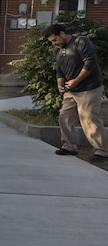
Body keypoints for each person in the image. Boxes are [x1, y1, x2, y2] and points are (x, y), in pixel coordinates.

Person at [44, 23, 108, 162]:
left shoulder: (80, 41)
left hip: (89, 88)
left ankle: (102, 151)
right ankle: (69, 146)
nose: (54, 44)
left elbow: (90, 63)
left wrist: (76, 81)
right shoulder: (58, 50)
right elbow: (60, 69)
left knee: (89, 118)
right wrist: (60, 82)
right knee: (64, 116)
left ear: (62, 33)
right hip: (71, 90)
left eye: (55, 40)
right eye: (51, 42)